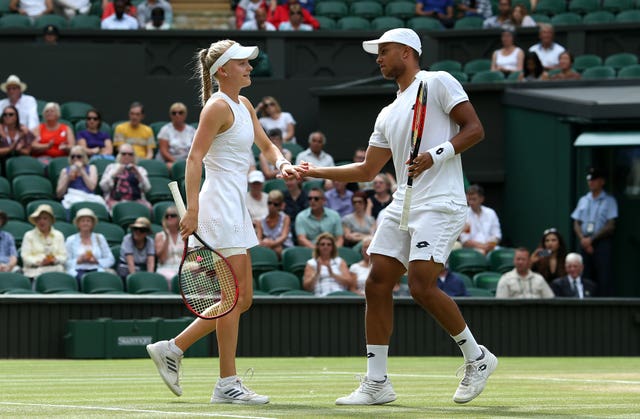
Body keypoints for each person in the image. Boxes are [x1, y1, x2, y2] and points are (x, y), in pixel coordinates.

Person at [299, 28, 497, 405]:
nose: (378, 58)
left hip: (440, 201)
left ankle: (477, 357)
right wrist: (312, 172)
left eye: (384, 51)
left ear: (407, 52)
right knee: (376, 283)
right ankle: (377, 383)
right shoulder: (388, 112)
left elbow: (475, 130)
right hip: (403, 200)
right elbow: (366, 171)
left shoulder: (437, 82)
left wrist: (434, 155)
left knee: (422, 285)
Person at [145, 39, 300, 404]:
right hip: (217, 206)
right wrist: (193, 208)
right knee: (233, 298)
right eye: (243, 63)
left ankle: (174, 347)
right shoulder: (215, 107)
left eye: (249, 63)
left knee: (242, 299)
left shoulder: (244, 104)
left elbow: (266, 145)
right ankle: (227, 383)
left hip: (235, 205)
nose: (249, 67)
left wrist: (282, 165)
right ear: (222, 71)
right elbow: (194, 159)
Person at [571, 167, 618, 297]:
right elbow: (576, 222)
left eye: (594, 180)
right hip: (585, 242)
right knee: (585, 275)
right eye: (589, 180)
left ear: (602, 182)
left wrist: (592, 240)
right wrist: (583, 239)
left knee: (604, 276)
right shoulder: (583, 200)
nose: (591, 182)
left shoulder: (609, 200)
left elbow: (610, 225)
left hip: (601, 242)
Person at [64, 208, 115, 285]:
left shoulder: (100, 238)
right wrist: (79, 260)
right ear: (78, 224)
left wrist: (96, 261)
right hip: (77, 272)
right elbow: (66, 262)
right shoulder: (71, 239)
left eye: (88, 221)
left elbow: (110, 259)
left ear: (92, 224)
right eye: (83, 221)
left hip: (97, 270)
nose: (85, 223)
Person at [99, 143, 152, 210]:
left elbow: (147, 188)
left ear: (134, 156)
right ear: (119, 155)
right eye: (124, 154)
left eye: (130, 154)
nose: (127, 156)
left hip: (136, 200)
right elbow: (103, 187)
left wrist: (138, 174)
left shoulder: (140, 169)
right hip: (115, 200)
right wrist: (115, 173)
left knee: (148, 207)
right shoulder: (111, 167)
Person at [21, 204, 67, 279]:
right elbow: (25, 257)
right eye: (38, 219)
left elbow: (63, 256)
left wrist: (54, 260)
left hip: (55, 268)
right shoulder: (29, 235)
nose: (41, 221)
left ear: (50, 220)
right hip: (34, 270)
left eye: (45, 218)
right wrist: (39, 262)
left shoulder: (59, 235)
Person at [56, 145, 108, 210]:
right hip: (73, 196)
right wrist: (67, 178)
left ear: (84, 157)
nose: (75, 159)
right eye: (73, 157)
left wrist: (82, 171)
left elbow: (92, 187)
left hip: (88, 196)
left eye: (79, 156)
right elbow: (59, 194)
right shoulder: (65, 171)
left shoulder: (92, 168)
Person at [459, 184, 502, 255]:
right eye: (469, 199)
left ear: (481, 199)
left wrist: (489, 246)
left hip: (491, 249)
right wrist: (483, 247)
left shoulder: (491, 213)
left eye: (474, 199)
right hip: (471, 251)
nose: (471, 202)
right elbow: (464, 240)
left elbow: (497, 235)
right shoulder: (464, 214)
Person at [156, 102, 196, 170]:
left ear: (185, 114)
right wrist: (177, 162)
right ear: (170, 115)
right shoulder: (165, 130)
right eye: (174, 113)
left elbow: (195, 149)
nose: (177, 115)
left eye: (180, 112)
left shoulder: (191, 130)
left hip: (187, 161)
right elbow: (164, 151)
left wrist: (189, 161)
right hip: (170, 161)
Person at [255, 189, 294, 258]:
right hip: (267, 247)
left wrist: (272, 243)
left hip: (285, 247)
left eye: (275, 204)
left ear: (280, 205)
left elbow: (284, 237)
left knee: (277, 249)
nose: (272, 206)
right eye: (269, 203)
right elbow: (259, 238)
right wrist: (264, 243)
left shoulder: (285, 218)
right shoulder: (260, 221)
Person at [0, 106, 35, 172]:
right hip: (3, 162)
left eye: (11, 114)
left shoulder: (23, 130)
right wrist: (11, 148)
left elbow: (27, 152)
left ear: (16, 117)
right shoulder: (0, 130)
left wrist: (19, 150)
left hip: (21, 163)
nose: (7, 116)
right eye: (5, 114)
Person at [154, 205, 184, 284]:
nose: (169, 218)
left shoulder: (184, 235)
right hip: (166, 269)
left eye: (172, 215)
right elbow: (162, 259)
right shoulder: (160, 236)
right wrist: (167, 237)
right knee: (174, 278)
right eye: (167, 216)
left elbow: (192, 257)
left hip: (183, 268)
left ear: (178, 218)